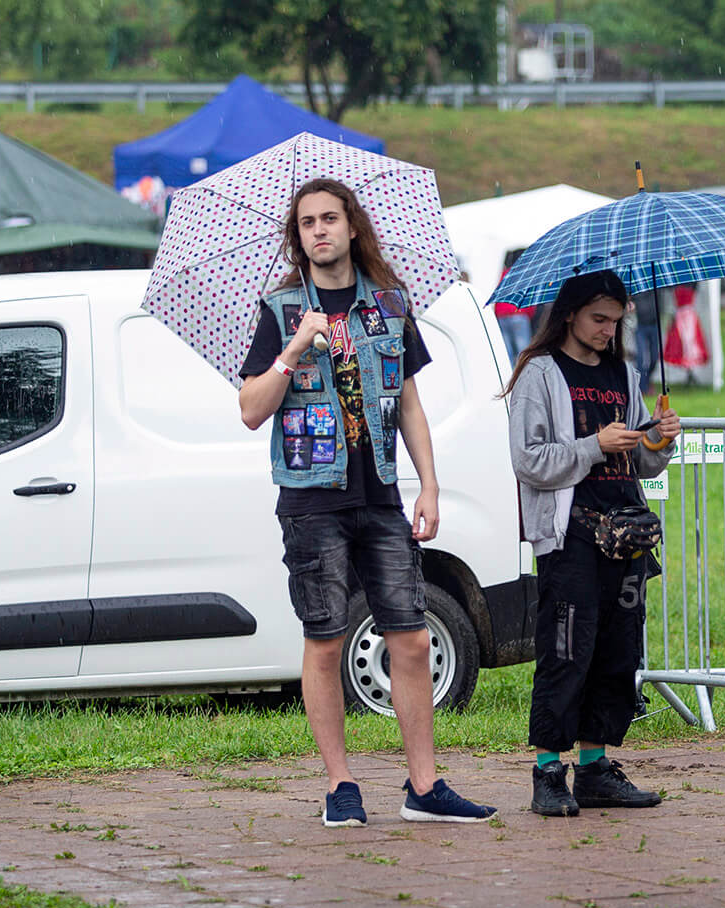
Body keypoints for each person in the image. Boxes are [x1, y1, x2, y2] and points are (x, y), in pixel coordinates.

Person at [239, 177, 497, 828]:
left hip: (380, 494)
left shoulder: (389, 305)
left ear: (352, 227)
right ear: (298, 238)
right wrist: (294, 348)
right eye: (307, 223)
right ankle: (340, 785)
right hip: (311, 498)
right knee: (325, 640)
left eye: (329, 219)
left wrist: (428, 485)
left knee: (411, 638)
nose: (319, 231)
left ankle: (424, 787)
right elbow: (250, 410)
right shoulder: (281, 312)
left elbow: (408, 402)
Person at [502, 270, 681, 817]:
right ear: (570, 315)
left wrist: (659, 438)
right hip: (569, 536)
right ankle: (547, 772)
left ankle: (596, 769)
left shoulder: (624, 374)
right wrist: (593, 445)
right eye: (598, 319)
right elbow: (528, 460)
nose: (608, 330)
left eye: (616, 321)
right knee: (565, 653)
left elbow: (642, 462)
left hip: (626, 534)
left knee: (616, 653)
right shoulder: (539, 373)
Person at [493, 256, 534, 363]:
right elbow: (529, 297)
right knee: (523, 350)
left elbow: (498, 294)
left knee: (507, 351)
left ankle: (508, 372)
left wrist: (497, 313)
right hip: (519, 314)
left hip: (502, 315)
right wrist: (529, 314)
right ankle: (523, 370)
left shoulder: (505, 274)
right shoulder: (524, 274)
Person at [631, 288, 663, 391]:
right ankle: (642, 387)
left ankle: (647, 380)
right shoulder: (636, 289)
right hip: (640, 326)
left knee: (654, 357)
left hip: (654, 325)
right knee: (641, 358)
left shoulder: (656, 287)